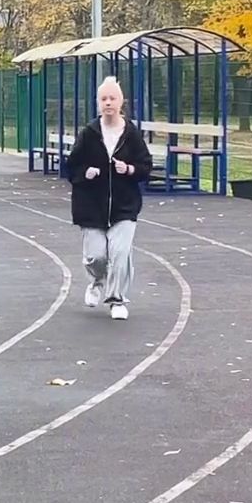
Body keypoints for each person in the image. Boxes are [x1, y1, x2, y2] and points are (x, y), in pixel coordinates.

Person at [62, 75, 154, 320]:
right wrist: (86, 173)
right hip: (91, 205)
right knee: (97, 256)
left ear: (121, 101)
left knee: (120, 253)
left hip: (125, 206)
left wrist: (131, 169)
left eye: (112, 98)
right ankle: (96, 282)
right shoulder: (89, 133)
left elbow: (145, 167)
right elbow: (70, 168)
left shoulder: (131, 134)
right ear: (98, 103)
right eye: (104, 98)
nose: (108, 102)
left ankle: (117, 300)